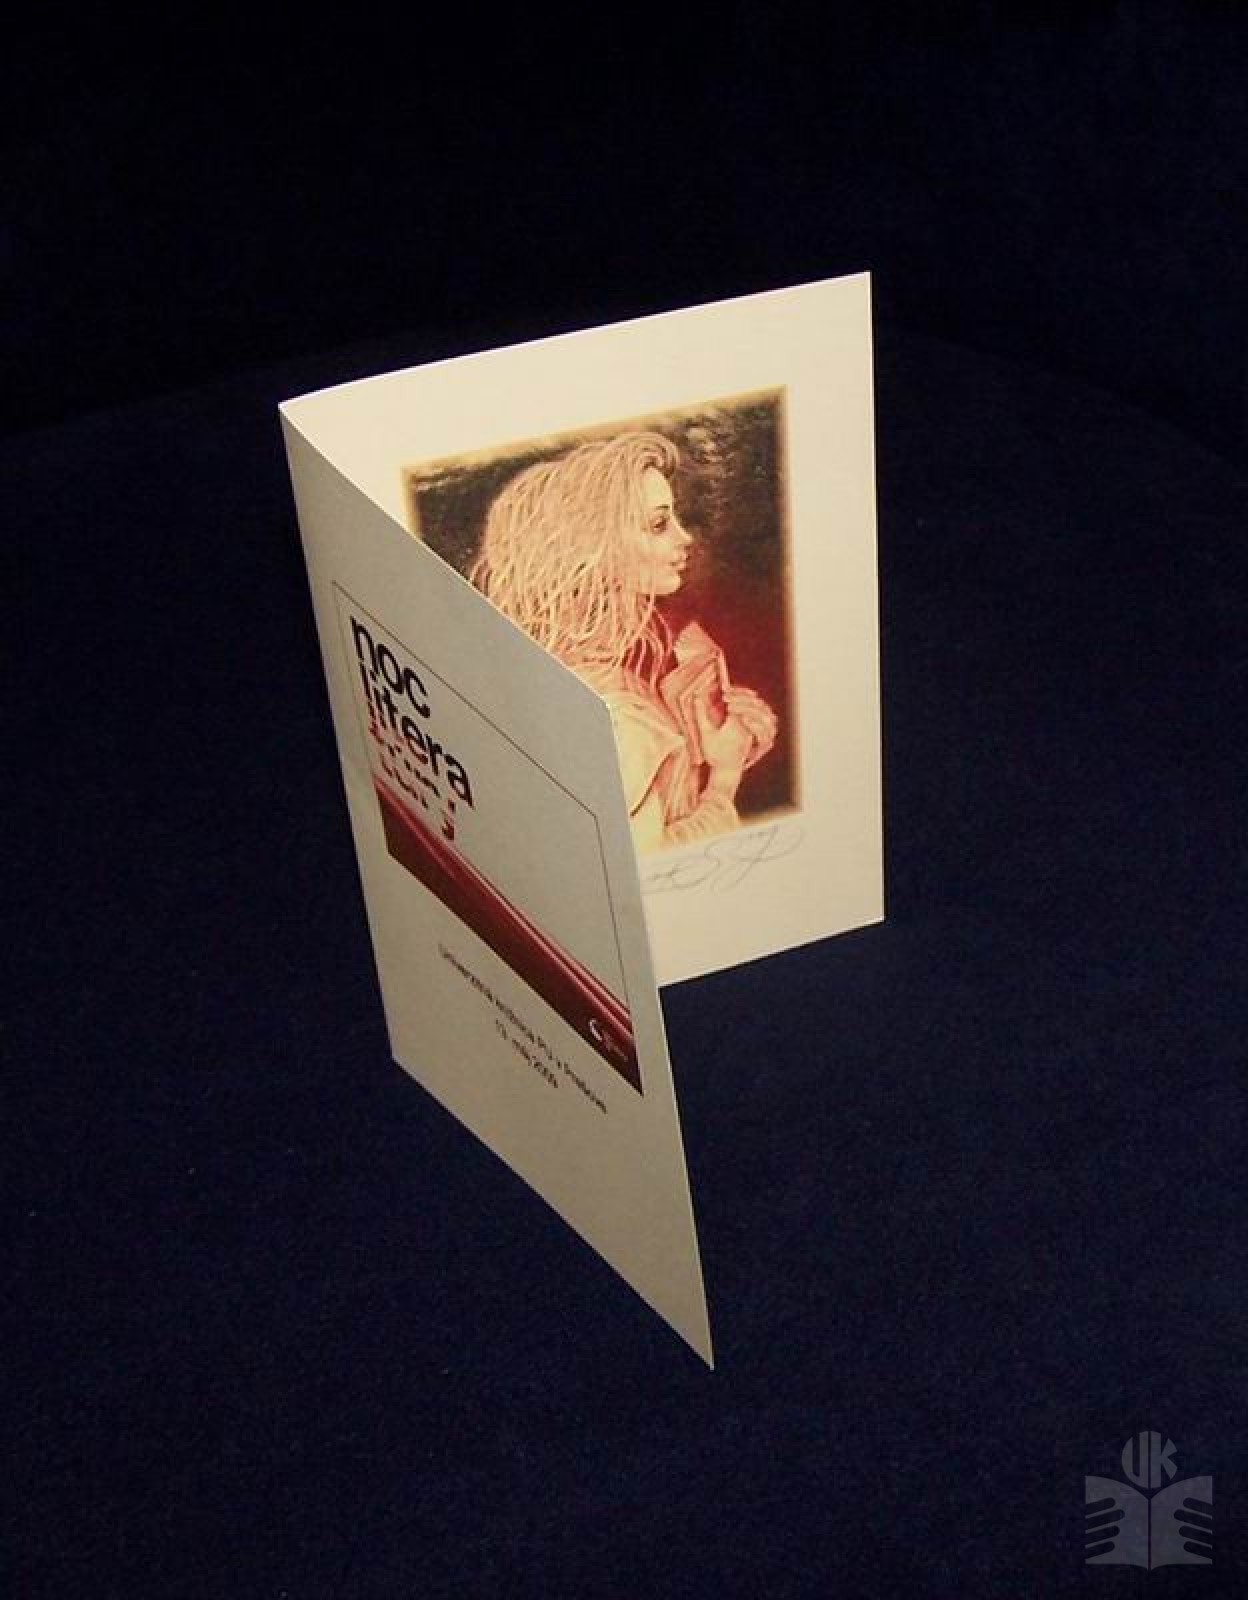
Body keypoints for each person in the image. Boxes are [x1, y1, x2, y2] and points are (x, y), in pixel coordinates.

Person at [469, 431, 777, 854]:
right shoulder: (615, 714)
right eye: (658, 524)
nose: (684, 538)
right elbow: (652, 865)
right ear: (592, 546)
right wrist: (725, 777)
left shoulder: (572, 668)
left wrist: (726, 742)